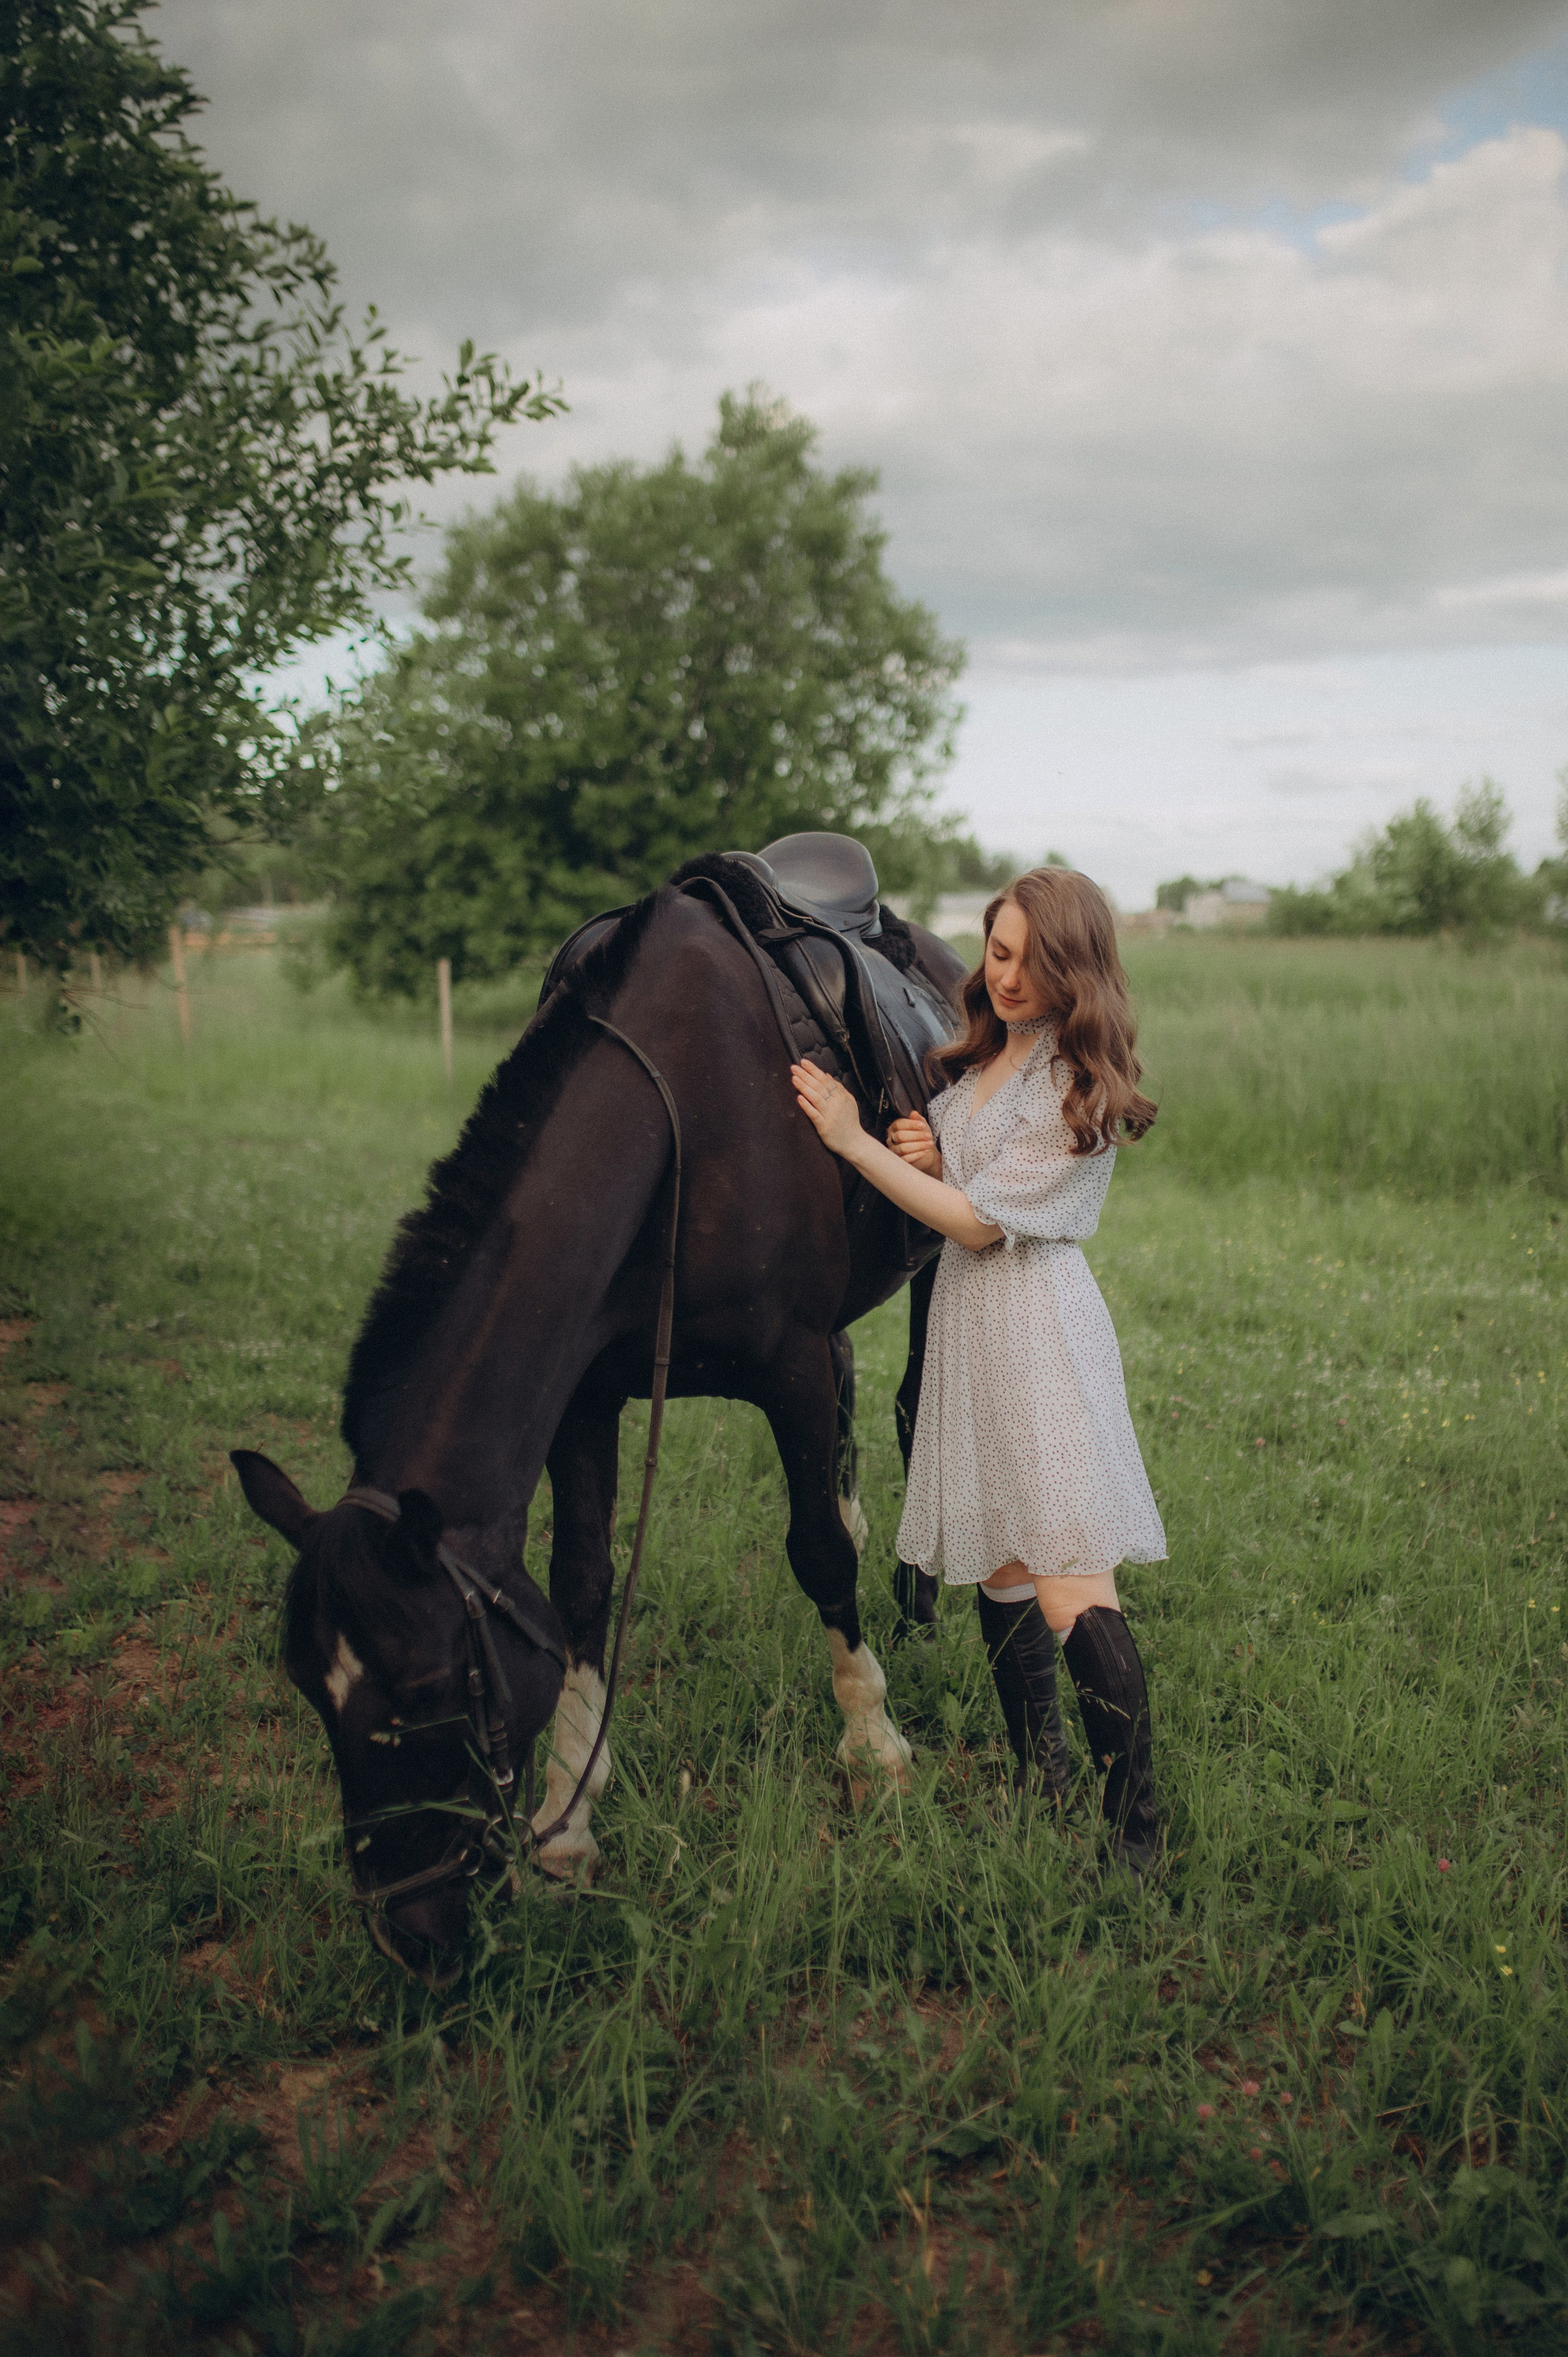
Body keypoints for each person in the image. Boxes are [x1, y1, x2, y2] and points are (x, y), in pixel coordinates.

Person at [790, 867, 1165, 1872]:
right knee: (1001, 1564)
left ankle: (1137, 1829)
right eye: (997, 953)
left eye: (1032, 966)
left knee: (1065, 1575)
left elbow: (977, 1224)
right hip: (970, 1332)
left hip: (1037, 1332)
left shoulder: (1076, 1088)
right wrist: (928, 1148)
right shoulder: (994, 1059)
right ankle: (1044, 1772)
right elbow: (961, 1183)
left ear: (1075, 976)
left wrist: (857, 1143)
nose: (1004, 977)